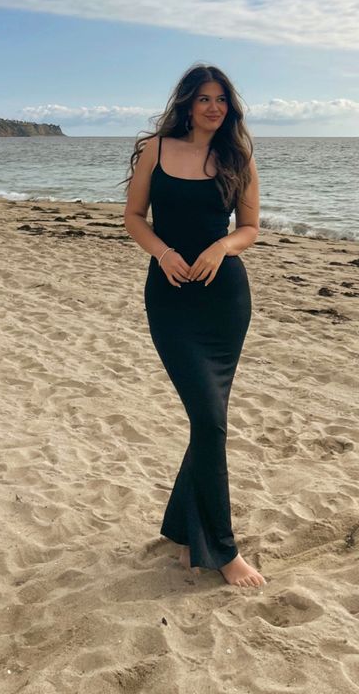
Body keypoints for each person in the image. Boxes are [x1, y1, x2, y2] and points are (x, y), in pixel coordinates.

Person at [123, 64, 267, 589]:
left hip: (224, 299)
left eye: (221, 99)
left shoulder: (238, 156)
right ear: (186, 103)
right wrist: (161, 252)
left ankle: (187, 532)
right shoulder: (156, 150)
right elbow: (133, 216)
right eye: (204, 98)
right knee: (209, 422)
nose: (213, 107)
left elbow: (250, 227)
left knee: (210, 423)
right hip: (170, 298)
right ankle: (224, 552)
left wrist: (220, 246)